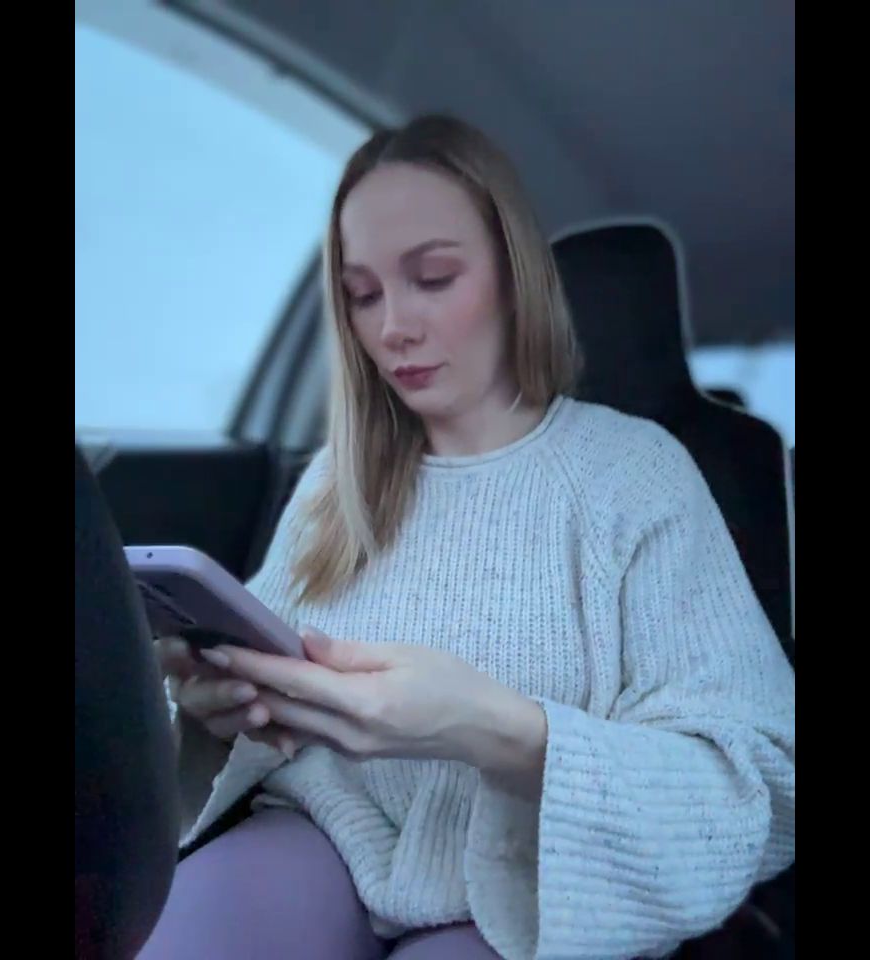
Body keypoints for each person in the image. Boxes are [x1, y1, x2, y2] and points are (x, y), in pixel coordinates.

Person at [139, 115, 795, 960]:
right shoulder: (337, 480)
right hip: (319, 835)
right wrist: (214, 716)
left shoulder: (637, 474)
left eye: (434, 278)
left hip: (536, 885)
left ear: (515, 276)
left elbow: (762, 781)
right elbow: (250, 703)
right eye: (363, 294)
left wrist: (492, 728)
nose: (392, 328)